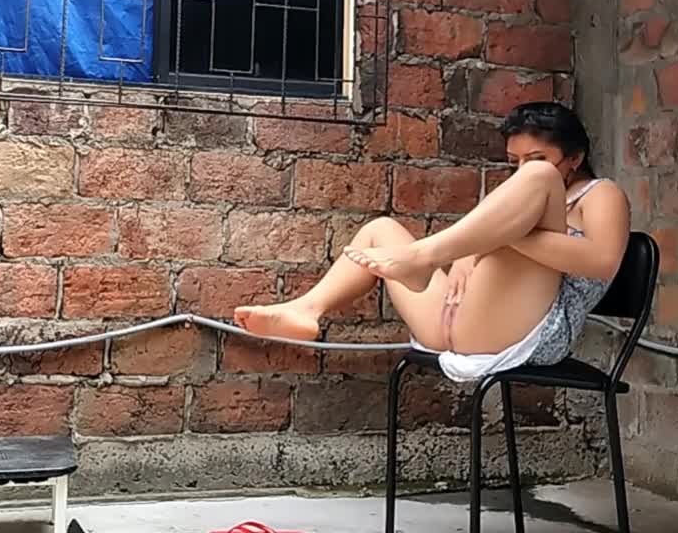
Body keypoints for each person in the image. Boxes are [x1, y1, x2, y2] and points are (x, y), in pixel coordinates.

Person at [233, 101, 631, 379]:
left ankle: (424, 257)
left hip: (537, 333)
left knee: (537, 184)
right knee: (380, 230)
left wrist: (501, 238)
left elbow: (602, 262)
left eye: (537, 158)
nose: (524, 170)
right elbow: (491, 248)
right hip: (463, 324)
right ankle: (306, 309)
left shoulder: (600, 194)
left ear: (574, 157)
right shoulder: (523, 197)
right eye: (516, 162)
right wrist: (476, 248)